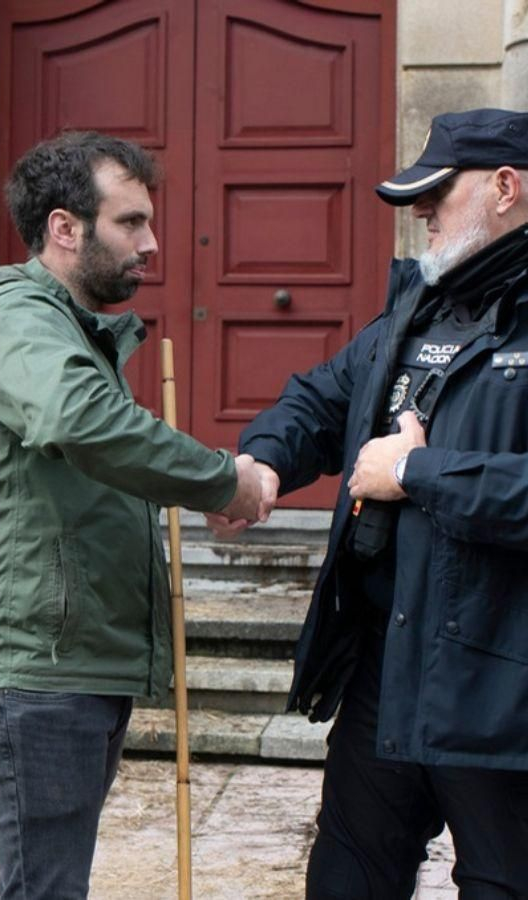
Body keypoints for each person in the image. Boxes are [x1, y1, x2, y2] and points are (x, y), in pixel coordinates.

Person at [208, 108, 528, 896]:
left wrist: (420, 474)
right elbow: (318, 401)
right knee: (347, 878)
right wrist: (261, 467)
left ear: (506, 186)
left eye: (436, 194)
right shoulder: (413, 315)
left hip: (503, 690)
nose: (419, 213)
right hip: (387, 671)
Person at [0, 130, 270, 899]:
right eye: (130, 223)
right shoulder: (23, 316)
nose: (152, 244)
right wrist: (223, 482)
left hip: (79, 665)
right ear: (63, 227)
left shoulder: (81, 332)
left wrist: (201, 487)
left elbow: (100, 458)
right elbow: (80, 422)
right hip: (45, 675)